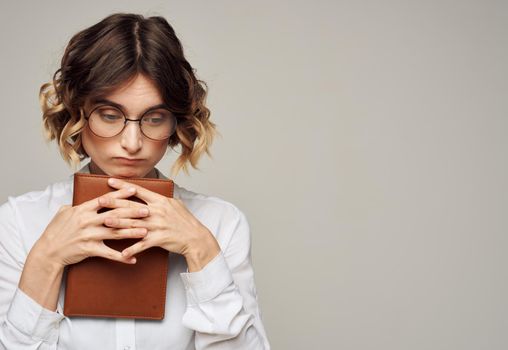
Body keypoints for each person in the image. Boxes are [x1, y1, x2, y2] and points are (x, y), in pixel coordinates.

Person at [0, 12, 270, 350]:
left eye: (154, 118)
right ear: (77, 114)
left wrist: (201, 250)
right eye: (110, 115)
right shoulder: (19, 223)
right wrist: (46, 259)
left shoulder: (220, 223)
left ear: (177, 124)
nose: (131, 142)